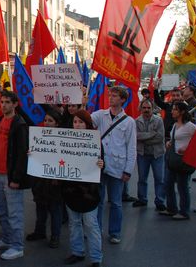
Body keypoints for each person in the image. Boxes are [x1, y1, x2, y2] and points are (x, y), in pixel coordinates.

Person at [91, 86, 137, 244]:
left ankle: (115, 232)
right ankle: (96, 229)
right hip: (100, 164)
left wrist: (128, 170)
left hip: (117, 166)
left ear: (123, 99)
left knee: (116, 202)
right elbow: (85, 120)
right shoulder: (101, 115)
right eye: (110, 95)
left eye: (115, 96)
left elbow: (131, 147)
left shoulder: (129, 122)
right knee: (98, 200)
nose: (111, 98)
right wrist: (83, 104)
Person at [61, 110, 103, 267]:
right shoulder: (65, 140)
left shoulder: (95, 141)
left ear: (87, 124)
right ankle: (77, 252)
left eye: (81, 122)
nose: (77, 125)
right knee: (74, 223)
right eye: (75, 122)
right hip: (71, 190)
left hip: (89, 192)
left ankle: (96, 258)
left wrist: (101, 164)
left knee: (91, 225)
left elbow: (102, 163)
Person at [0, 90, 30, 260]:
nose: (4, 105)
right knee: (1, 210)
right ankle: (7, 238)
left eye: (8, 102)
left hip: (10, 176)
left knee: (14, 213)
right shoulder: (1, 120)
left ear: (15, 104)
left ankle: (17, 246)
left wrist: (16, 178)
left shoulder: (19, 124)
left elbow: (22, 153)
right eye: (2, 102)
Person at [27, 107, 63, 249]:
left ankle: (55, 236)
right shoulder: (38, 136)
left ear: (57, 123)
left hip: (55, 180)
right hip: (39, 179)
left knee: (55, 209)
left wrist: (58, 176)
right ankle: (40, 231)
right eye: (46, 120)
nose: (47, 123)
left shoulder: (63, 139)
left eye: (50, 121)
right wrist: (31, 153)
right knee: (40, 205)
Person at [159, 101, 196, 219]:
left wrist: (187, 149)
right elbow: (174, 138)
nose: (172, 111)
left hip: (183, 161)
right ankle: (171, 208)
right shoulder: (175, 125)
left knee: (182, 186)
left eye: (175, 109)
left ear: (182, 112)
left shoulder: (190, 126)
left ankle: (184, 212)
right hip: (172, 159)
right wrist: (170, 142)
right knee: (168, 183)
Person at [133, 99, 166, 210]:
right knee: (142, 178)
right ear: (141, 109)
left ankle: (160, 201)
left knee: (159, 179)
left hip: (157, 154)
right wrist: (151, 134)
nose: (146, 110)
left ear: (152, 109)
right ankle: (142, 199)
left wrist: (144, 138)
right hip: (143, 154)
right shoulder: (136, 121)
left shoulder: (159, 120)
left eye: (148, 108)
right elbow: (136, 136)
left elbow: (160, 138)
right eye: (144, 108)